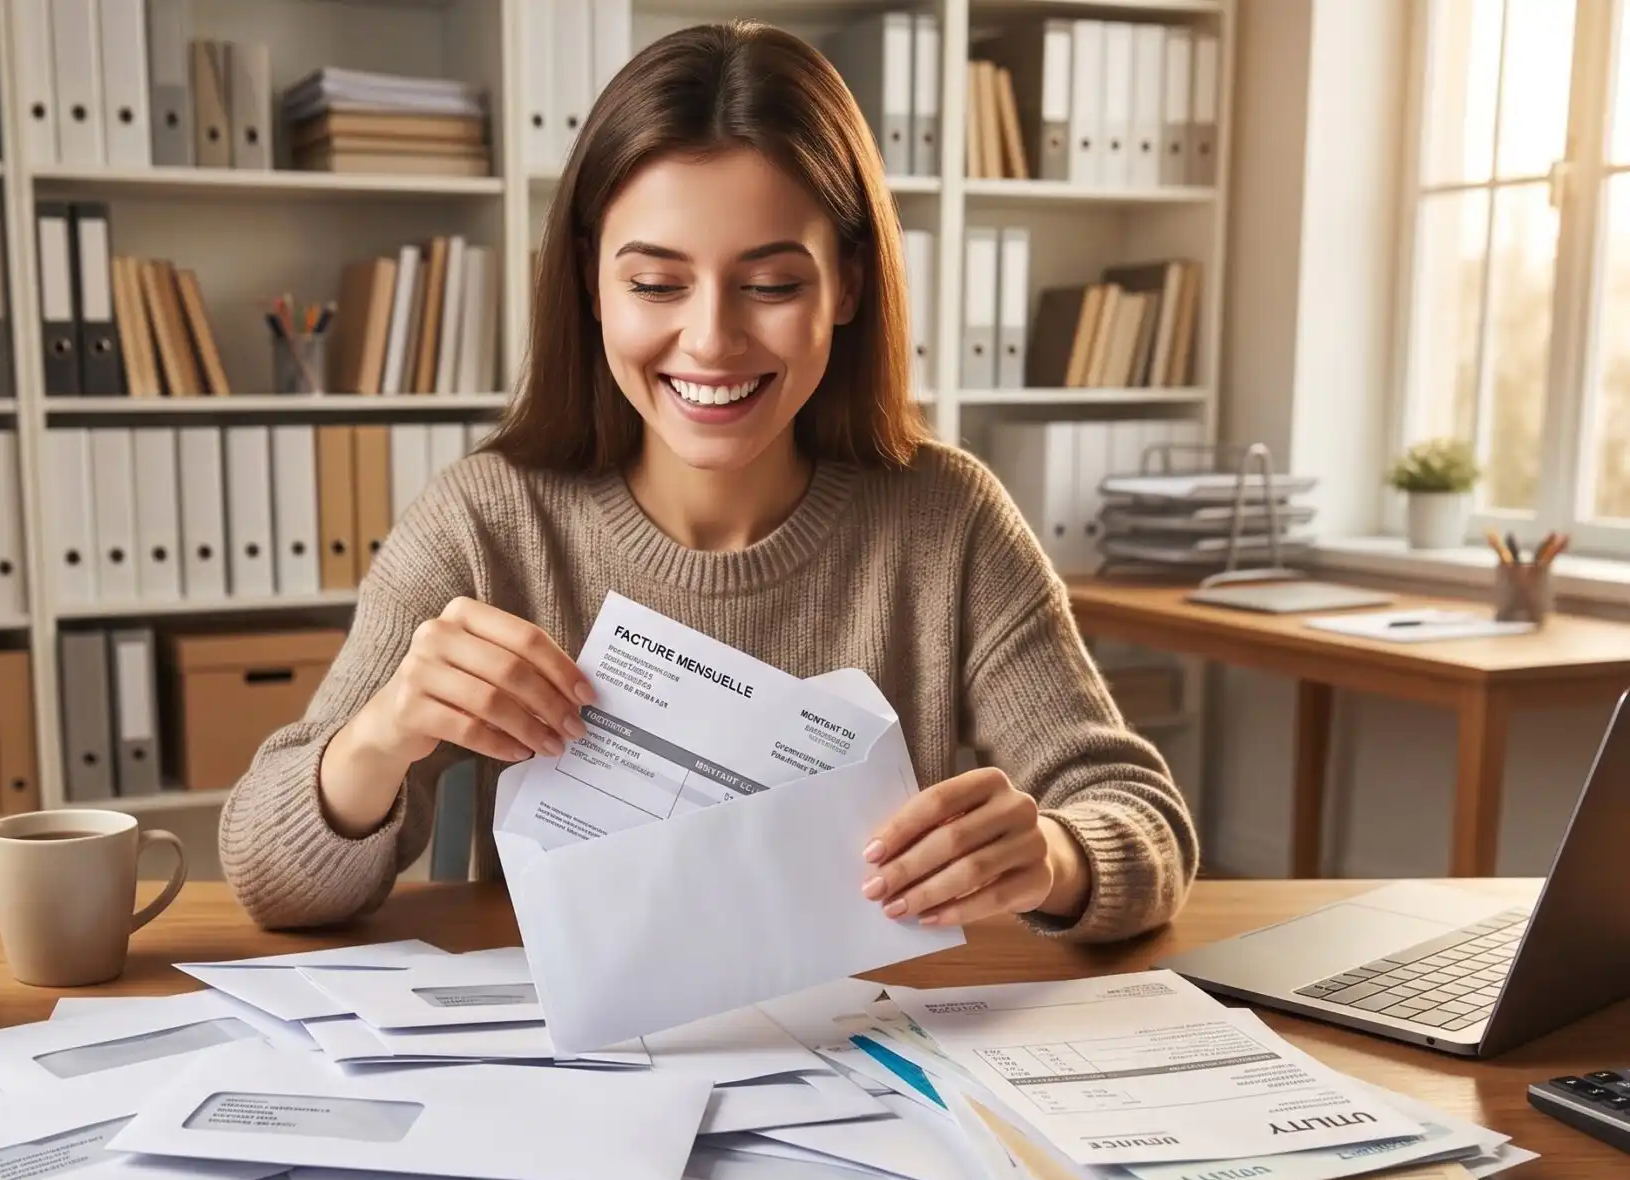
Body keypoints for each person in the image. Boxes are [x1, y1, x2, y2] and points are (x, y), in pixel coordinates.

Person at [221, 21, 1196, 940]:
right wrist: (383, 735)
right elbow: (268, 876)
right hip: (575, 1067)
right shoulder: (487, 519)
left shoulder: (947, 519)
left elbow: (1141, 814)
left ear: (848, 284)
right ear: (590, 282)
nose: (712, 341)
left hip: (875, 1062)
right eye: (654, 284)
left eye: (772, 284)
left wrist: (1056, 857)